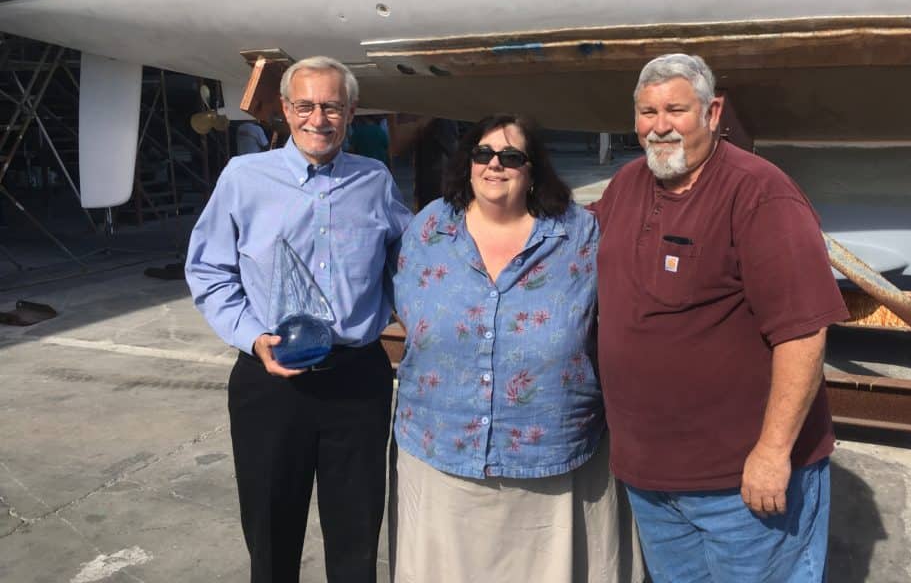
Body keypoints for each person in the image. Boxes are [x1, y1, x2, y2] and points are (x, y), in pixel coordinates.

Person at [590, 54, 849, 583]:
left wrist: (774, 453)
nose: (659, 126)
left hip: (742, 485)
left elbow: (803, 334)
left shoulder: (759, 194)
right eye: (646, 112)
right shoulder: (628, 184)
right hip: (652, 479)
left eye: (675, 109)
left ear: (712, 112)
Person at [185, 55, 412, 583]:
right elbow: (209, 270)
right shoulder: (244, 178)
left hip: (357, 378)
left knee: (357, 536)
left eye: (331, 106)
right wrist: (251, 338)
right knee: (270, 535)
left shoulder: (374, 180)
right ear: (285, 109)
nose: (318, 119)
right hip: (270, 380)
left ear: (351, 111)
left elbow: (409, 262)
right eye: (305, 105)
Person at [389, 114, 643, 583]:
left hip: (552, 453)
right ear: (467, 163)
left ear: (533, 171)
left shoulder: (578, 234)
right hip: (441, 447)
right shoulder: (429, 228)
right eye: (482, 154)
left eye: (510, 157)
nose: (494, 166)